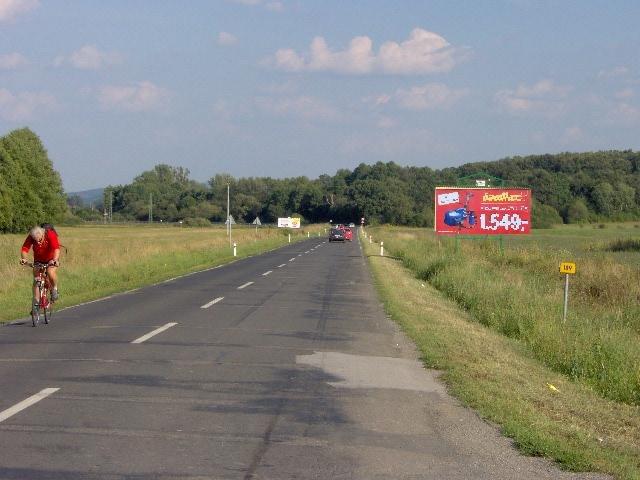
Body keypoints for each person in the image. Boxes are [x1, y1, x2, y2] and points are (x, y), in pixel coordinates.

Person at [20, 225, 60, 303]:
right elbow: (25, 249)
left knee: (50, 272)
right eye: (35, 240)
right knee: (36, 279)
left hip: (51, 259)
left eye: (39, 239)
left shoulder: (50, 234)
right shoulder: (31, 236)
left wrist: (55, 260)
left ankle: (55, 288)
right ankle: (36, 301)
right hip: (38, 260)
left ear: (43, 234)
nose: (38, 242)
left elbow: (56, 249)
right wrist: (24, 259)